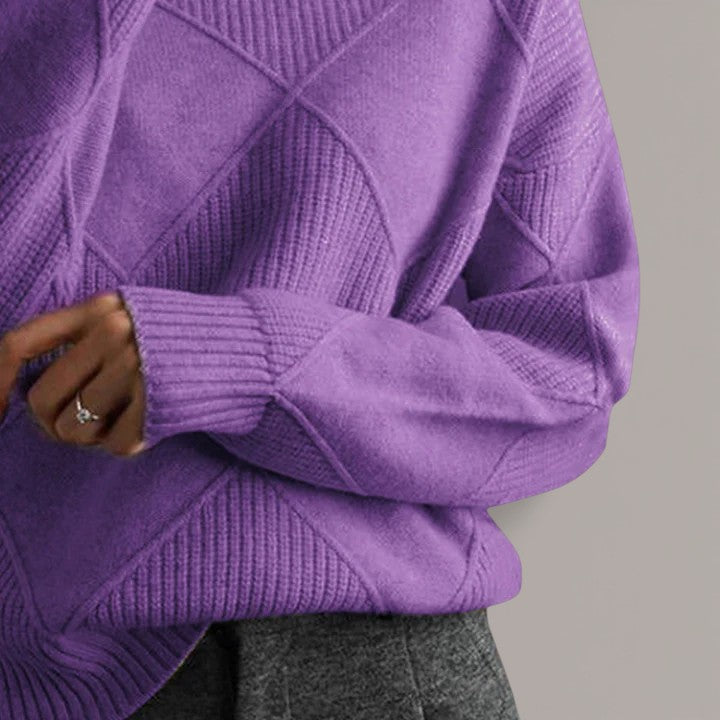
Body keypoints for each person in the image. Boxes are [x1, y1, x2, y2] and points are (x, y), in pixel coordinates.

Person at [0, 0, 639, 718]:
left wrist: (242, 360)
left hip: (372, 659)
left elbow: (570, 375)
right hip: (47, 658)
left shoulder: (494, 14)